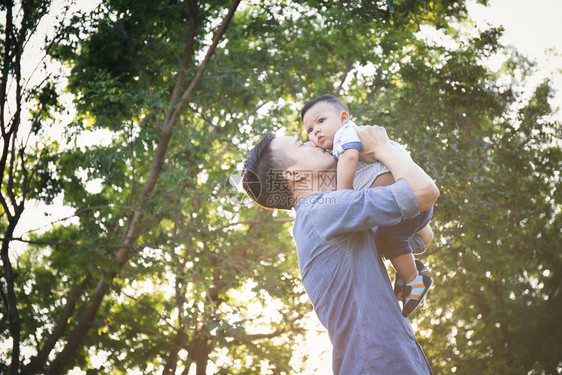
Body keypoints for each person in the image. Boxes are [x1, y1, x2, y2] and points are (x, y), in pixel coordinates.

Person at [241, 125, 439, 374]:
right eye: (301, 144)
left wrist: (366, 169)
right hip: (380, 364)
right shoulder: (321, 210)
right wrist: (382, 147)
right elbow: (425, 191)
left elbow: (423, 235)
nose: (314, 141)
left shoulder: (325, 216)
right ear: (293, 174)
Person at [301, 94, 435, 317]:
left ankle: (415, 280)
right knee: (386, 241)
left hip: (408, 200)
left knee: (389, 240)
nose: (316, 131)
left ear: (343, 118)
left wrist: (343, 194)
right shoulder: (336, 150)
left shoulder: (347, 135)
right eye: (309, 130)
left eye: (321, 121)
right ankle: (408, 269)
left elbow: (350, 158)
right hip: (400, 206)